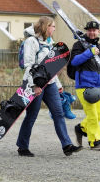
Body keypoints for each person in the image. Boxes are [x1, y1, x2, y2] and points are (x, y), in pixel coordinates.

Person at [16, 16, 82, 157]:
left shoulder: (49, 43)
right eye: (52, 26)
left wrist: (58, 85)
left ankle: (67, 145)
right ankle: (22, 146)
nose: (54, 29)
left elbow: (51, 67)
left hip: (50, 84)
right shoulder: (31, 42)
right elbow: (28, 65)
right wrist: (34, 86)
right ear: (46, 26)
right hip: (34, 85)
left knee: (58, 113)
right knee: (32, 116)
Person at [70, 21, 100, 150]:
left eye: (94, 30)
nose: (92, 32)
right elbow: (74, 61)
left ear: (98, 32)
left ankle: (81, 128)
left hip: (98, 86)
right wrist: (90, 52)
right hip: (84, 86)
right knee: (93, 115)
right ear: (87, 31)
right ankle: (95, 141)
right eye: (90, 30)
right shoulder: (78, 45)